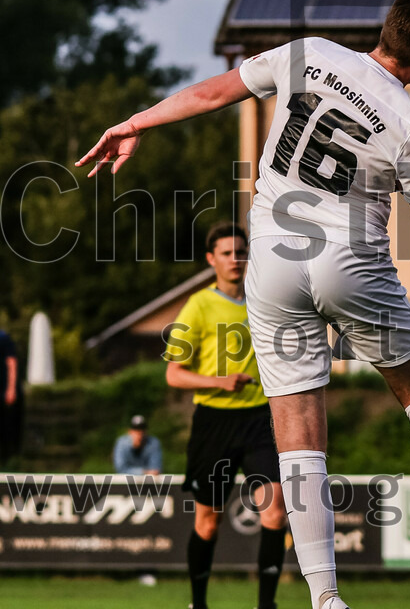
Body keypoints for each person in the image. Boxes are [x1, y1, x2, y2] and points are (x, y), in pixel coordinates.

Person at [78, 0, 410, 609]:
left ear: (387, 30)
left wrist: (133, 123)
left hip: (273, 263)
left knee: (296, 430)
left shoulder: (309, 53)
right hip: (351, 260)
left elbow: (214, 92)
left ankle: (324, 597)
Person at [162, 222, 287, 609]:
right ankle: (197, 604)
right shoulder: (199, 305)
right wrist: (219, 380)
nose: (235, 259)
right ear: (211, 259)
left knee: (275, 511)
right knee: (207, 522)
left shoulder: (264, 299)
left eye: (241, 251)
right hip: (213, 423)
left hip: (259, 420)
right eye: (227, 252)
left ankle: (267, 604)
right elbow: (173, 373)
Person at [0, 328, 22, 465]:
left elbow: (11, 363)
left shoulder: (3, 337)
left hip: (4, 392)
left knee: (7, 428)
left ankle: (9, 461)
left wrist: (11, 389)